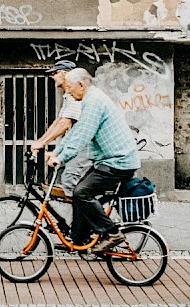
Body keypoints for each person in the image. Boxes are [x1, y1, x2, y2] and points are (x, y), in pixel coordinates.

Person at [46, 66, 139, 253]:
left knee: (82, 192)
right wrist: (57, 152)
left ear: (81, 85)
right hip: (108, 161)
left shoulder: (94, 102)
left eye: (70, 88)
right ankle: (79, 238)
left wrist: (61, 158)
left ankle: (111, 232)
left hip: (118, 162)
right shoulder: (90, 100)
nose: (69, 93)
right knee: (79, 190)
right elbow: (75, 133)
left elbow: (82, 136)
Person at [30, 59, 91, 200]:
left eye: (54, 73)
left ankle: (84, 219)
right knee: (63, 175)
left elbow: (65, 123)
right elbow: (59, 120)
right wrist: (41, 141)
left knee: (70, 179)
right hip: (76, 144)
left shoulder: (76, 96)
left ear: (64, 74)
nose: (52, 76)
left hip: (85, 146)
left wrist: (43, 143)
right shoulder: (68, 95)